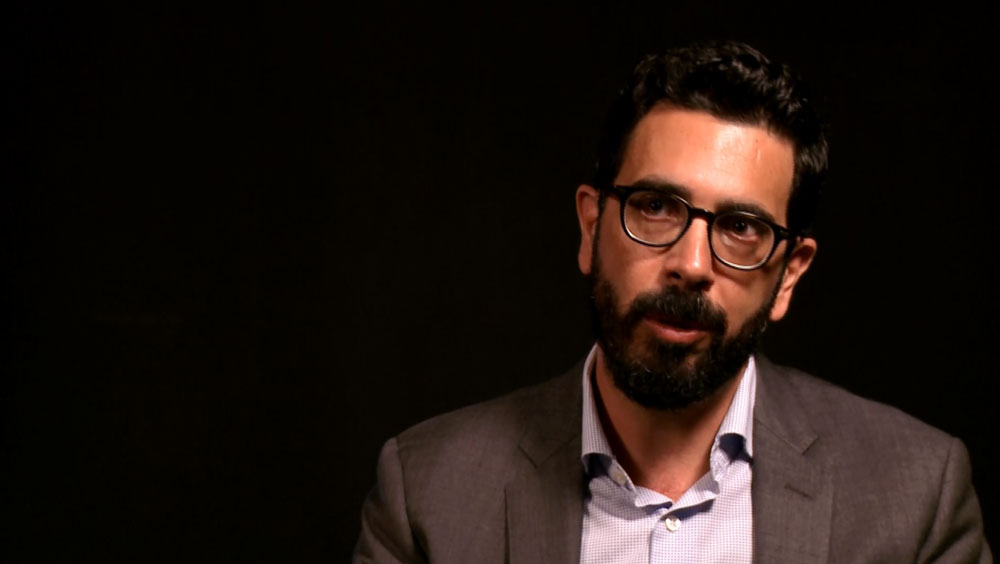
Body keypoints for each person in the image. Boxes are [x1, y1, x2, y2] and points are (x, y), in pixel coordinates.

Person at [353, 41, 991, 564]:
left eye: (740, 227)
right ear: (591, 228)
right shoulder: (428, 495)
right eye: (656, 207)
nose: (690, 265)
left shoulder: (915, 500)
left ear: (789, 276)